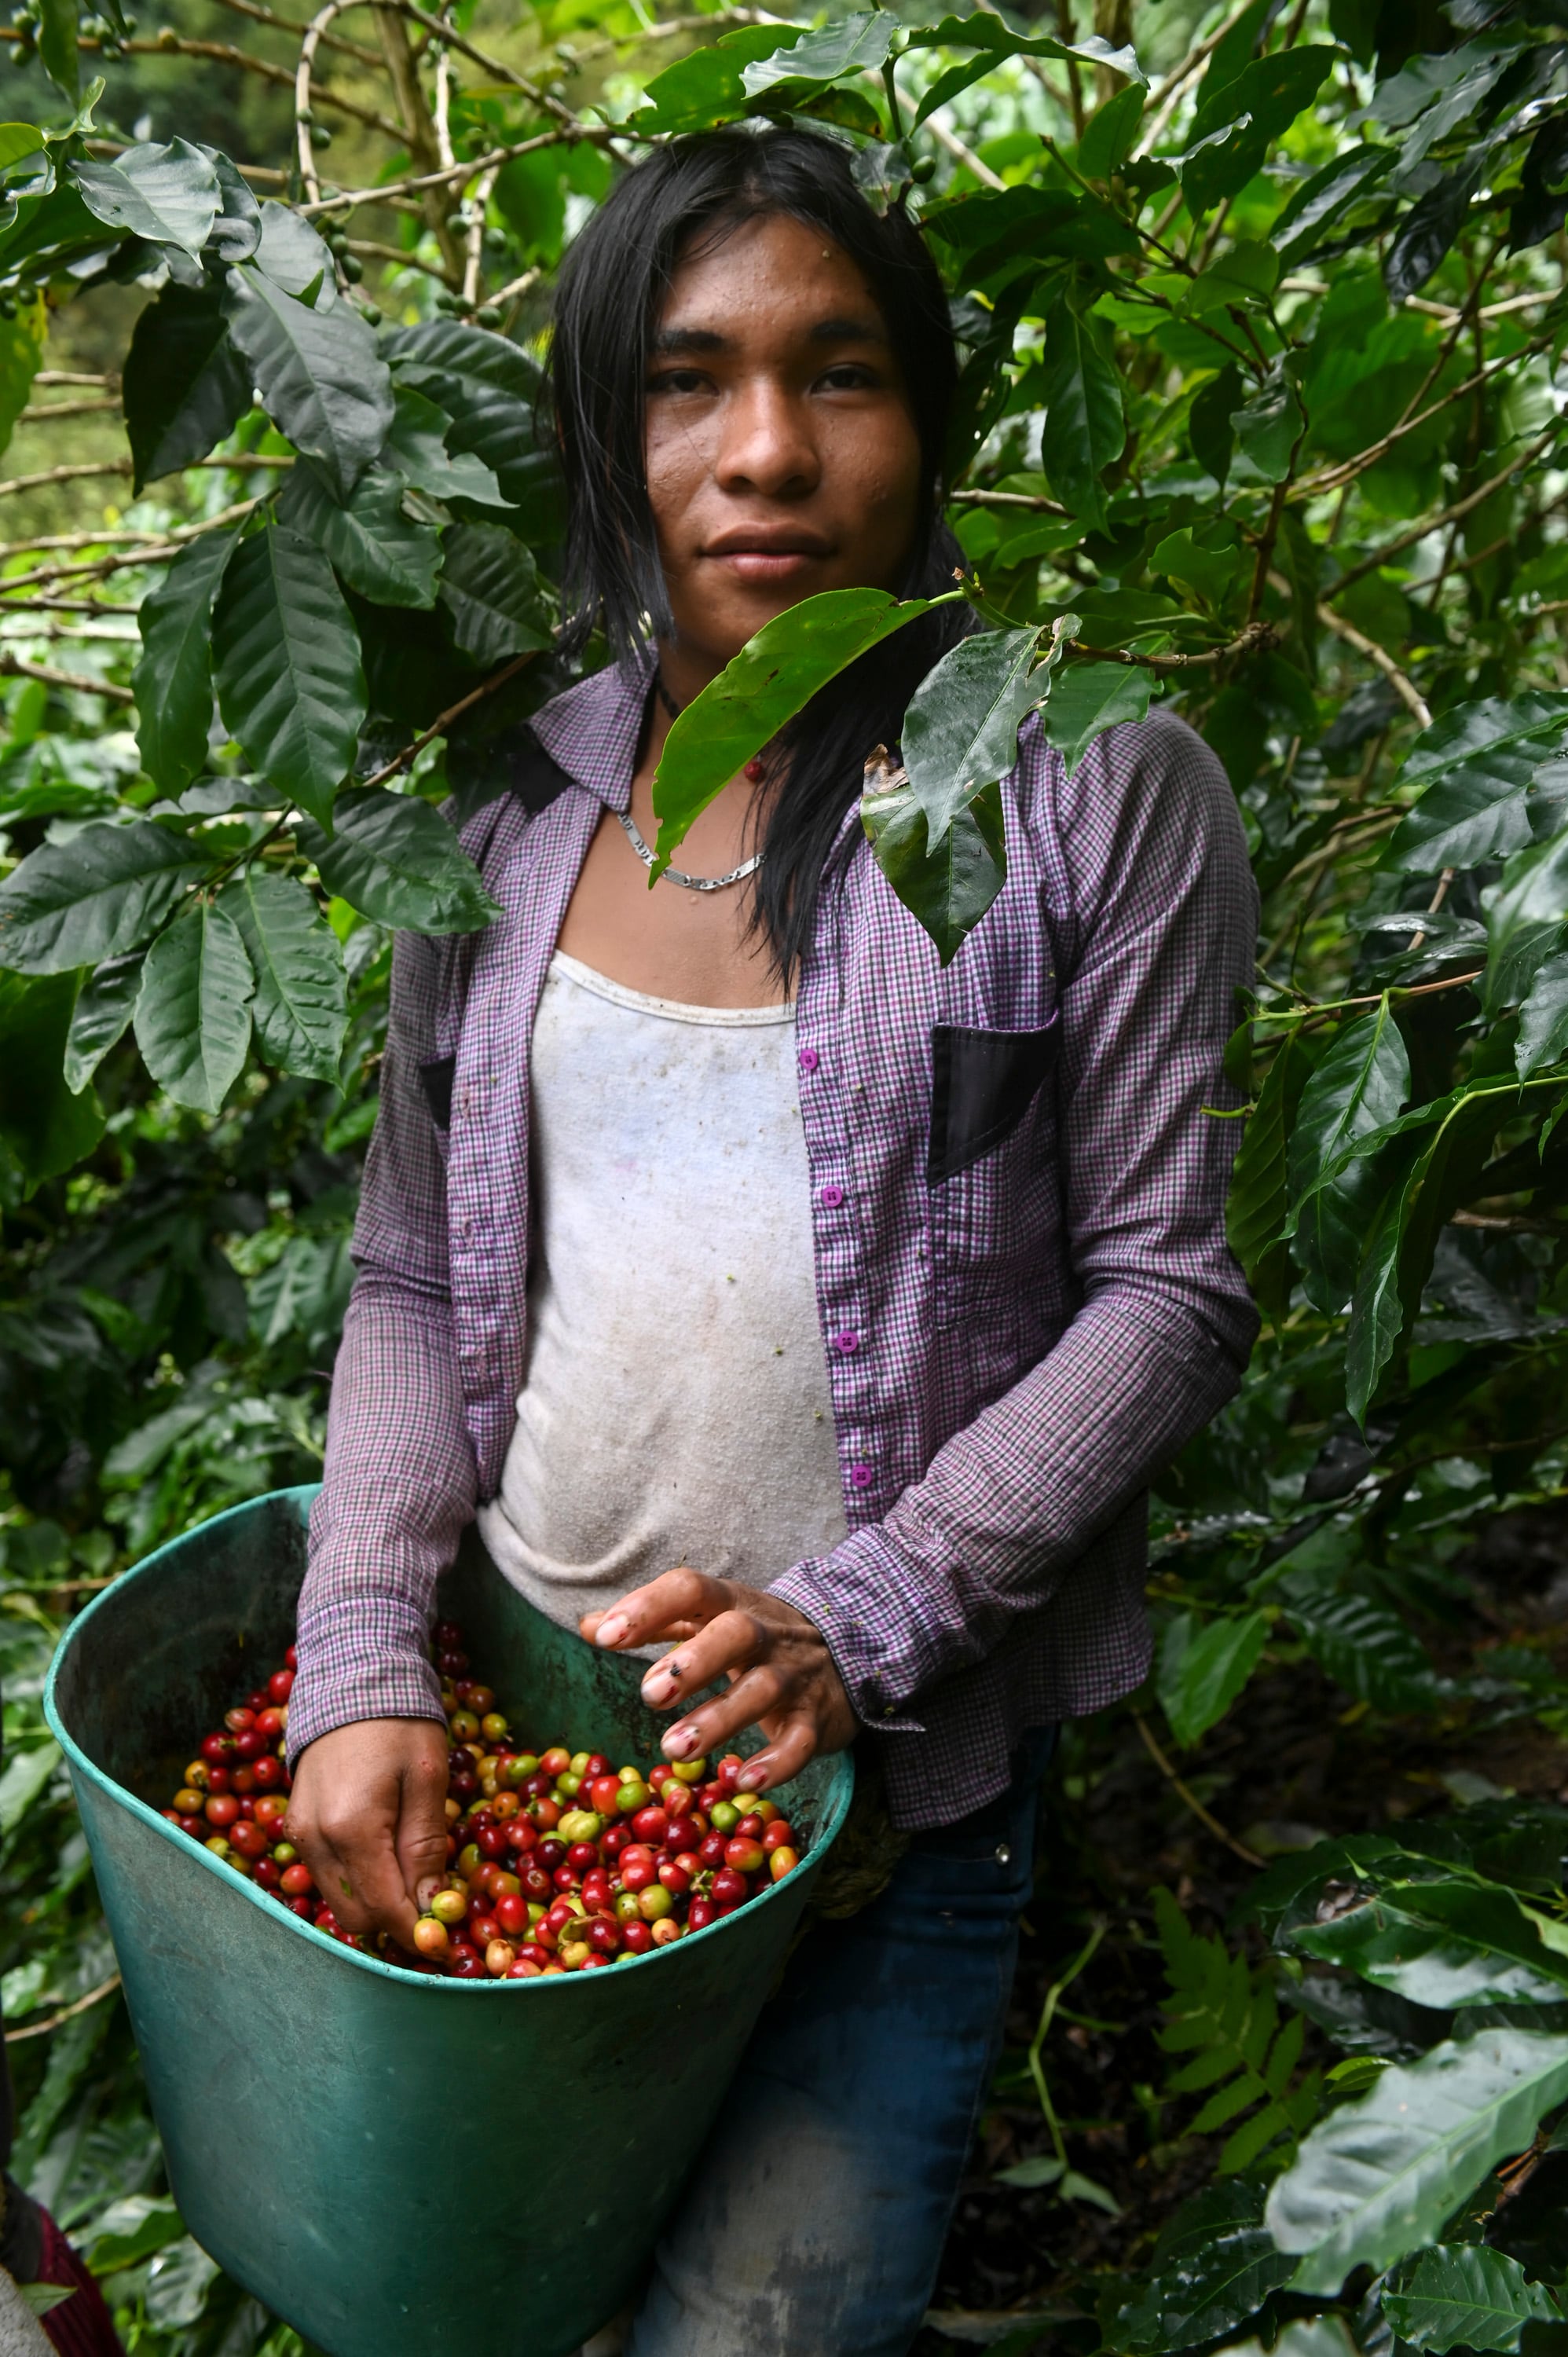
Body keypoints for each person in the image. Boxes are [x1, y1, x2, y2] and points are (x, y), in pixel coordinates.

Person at [283, 125, 1258, 2355]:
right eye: (686, 381)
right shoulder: (513, 800)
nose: (763, 453)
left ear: (929, 425)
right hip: (527, 1735)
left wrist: (871, 1613)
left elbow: (1166, 1287)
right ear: (606, 436)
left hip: (885, 1801)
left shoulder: (1088, 788)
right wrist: (362, 1654)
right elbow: (417, 1273)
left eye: (839, 376)